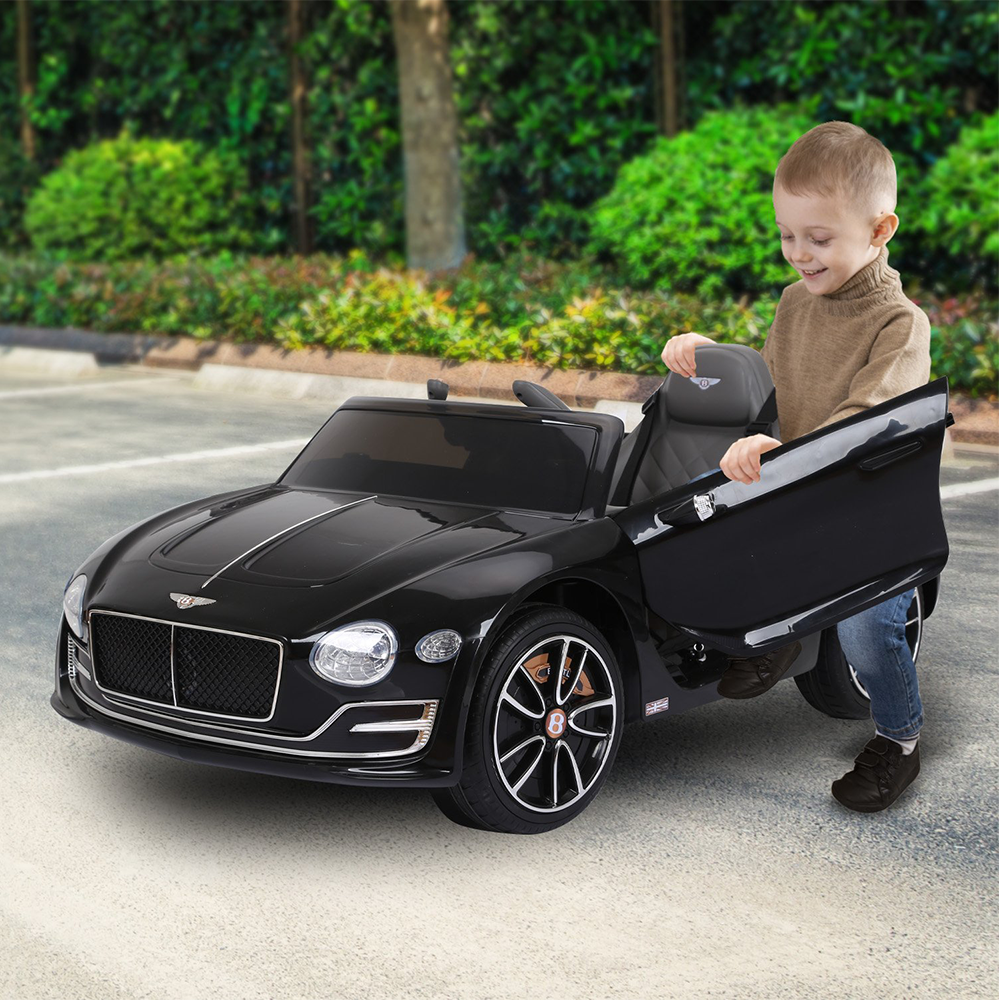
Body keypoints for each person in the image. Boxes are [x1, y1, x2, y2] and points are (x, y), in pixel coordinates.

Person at [660, 121, 932, 813]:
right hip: (805, 494)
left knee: (868, 630)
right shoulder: (795, 303)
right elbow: (771, 384)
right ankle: (782, 629)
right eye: (787, 235)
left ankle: (899, 739)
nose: (799, 255)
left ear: (880, 230)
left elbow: (868, 418)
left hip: (873, 511)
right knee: (705, 520)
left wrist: (785, 453)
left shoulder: (900, 325)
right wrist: (709, 353)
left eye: (819, 238)